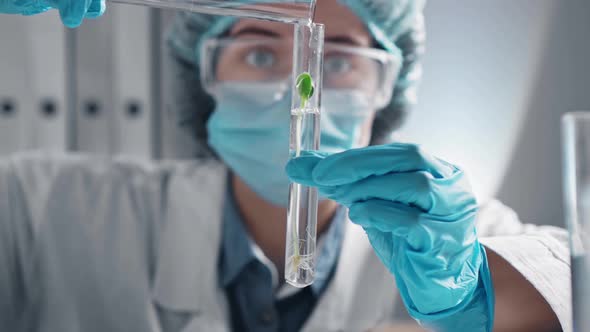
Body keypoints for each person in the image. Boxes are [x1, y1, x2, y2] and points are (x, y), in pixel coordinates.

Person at [0, 0, 571, 331]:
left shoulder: (446, 236)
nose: (302, 85)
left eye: (341, 60)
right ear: (205, 75)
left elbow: (573, 290)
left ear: (387, 88)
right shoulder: (39, 207)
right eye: (257, 51)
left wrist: (469, 293)